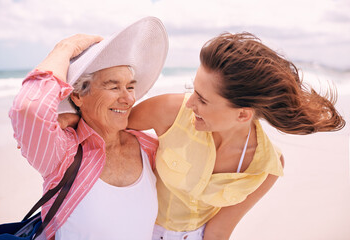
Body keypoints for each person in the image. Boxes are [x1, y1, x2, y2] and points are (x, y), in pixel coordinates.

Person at [59, 32, 346, 239]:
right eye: (193, 88)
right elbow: (106, 124)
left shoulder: (266, 167)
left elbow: (219, 231)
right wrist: (69, 118)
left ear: (243, 114)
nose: (190, 102)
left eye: (203, 99)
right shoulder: (170, 110)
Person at [9, 16, 168, 240]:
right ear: (78, 95)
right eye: (113, 87)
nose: (128, 98)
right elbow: (29, 108)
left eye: (130, 86)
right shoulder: (64, 152)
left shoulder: (150, 148)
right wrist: (65, 48)